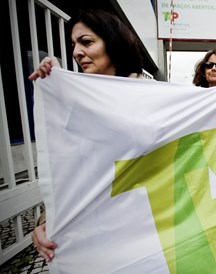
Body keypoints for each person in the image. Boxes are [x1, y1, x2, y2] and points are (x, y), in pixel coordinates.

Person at [28, 9, 146, 262]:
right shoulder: (73, 106)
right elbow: (67, 169)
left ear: (114, 43)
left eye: (87, 42)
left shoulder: (150, 98)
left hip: (146, 231)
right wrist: (48, 220)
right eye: (74, 45)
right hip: (95, 238)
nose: (76, 52)